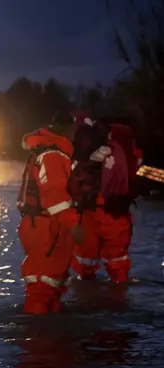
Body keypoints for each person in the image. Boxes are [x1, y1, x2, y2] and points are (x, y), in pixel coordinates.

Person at [16, 111, 84, 314]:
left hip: (41, 224)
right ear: (70, 130)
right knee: (42, 287)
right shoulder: (53, 154)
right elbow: (54, 194)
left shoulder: (46, 150)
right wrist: (73, 225)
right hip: (47, 226)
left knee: (51, 284)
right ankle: (38, 336)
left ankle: (49, 333)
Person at [71, 118, 140, 283]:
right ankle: (118, 292)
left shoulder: (91, 151)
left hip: (93, 209)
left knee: (86, 258)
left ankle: (89, 289)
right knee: (116, 260)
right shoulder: (123, 152)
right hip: (112, 210)